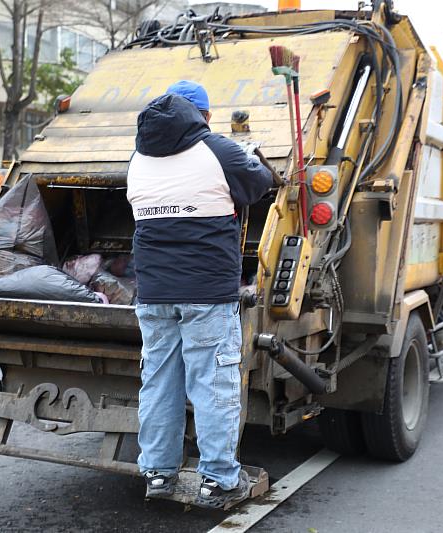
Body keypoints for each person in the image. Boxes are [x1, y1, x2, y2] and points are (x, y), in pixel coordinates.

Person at [126, 80, 273, 508]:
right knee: (211, 382)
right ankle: (220, 480)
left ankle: (157, 473)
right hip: (205, 293)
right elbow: (259, 184)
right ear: (203, 116)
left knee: (158, 382)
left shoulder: (137, 157)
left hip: (153, 293)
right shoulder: (219, 150)